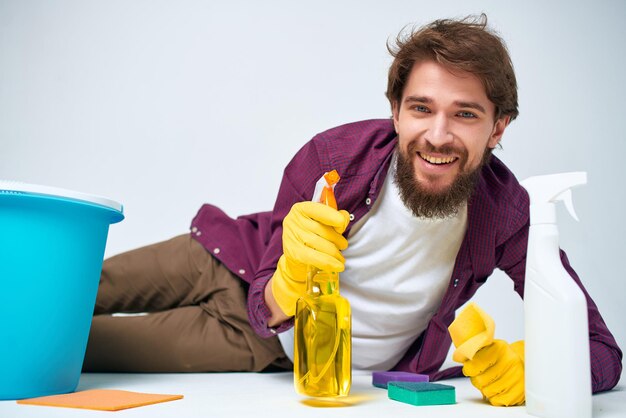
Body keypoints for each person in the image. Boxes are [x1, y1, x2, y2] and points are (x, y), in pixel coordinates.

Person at [83, 15, 622, 405]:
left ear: (498, 127)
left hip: (262, 345)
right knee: (64, 289)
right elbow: (264, 297)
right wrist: (290, 279)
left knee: (71, 346)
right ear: (395, 110)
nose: (438, 135)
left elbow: (603, 353)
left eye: (465, 114)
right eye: (421, 108)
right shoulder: (333, 158)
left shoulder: (507, 214)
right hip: (220, 259)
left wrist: (543, 368)